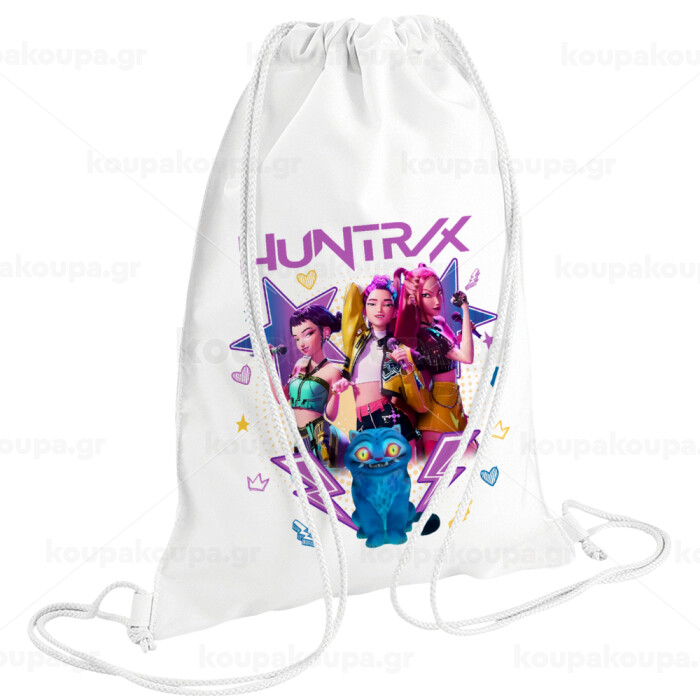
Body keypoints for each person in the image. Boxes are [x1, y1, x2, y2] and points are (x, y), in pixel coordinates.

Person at [332, 275, 428, 456]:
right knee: (369, 471)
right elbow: (352, 294)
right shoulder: (356, 342)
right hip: (361, 422)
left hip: (390, 418)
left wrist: (407, 368)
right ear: (364, 309)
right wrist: (343, 382)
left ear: (395, 311)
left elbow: (419, 398)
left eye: (387, 304)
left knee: (406, 470)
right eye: (372, 303)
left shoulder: (399, 347)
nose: (379, 309)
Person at [394, 263, 476, 457]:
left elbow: (451, 351)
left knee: (466, 459)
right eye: (427, 295)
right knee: (462, 459)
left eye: (439, 292)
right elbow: (466, 357)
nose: (437, 300)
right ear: (414, 299)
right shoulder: (427, 334)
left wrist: (465, 332)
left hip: (451, 404)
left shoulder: (437, 324)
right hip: (439, 410)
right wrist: (465, 309)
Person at [281, 305, 344, 468]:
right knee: (303, 479)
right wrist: (268, 363)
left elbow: (331, 415)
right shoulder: (299, 364)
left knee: (324, 477)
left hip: (321, 438)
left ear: (325, 332)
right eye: (296, 338)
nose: (301, 343)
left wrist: (336, 393)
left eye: (308, 334)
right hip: (300, 437)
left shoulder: (333, 371)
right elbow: (281, 398)